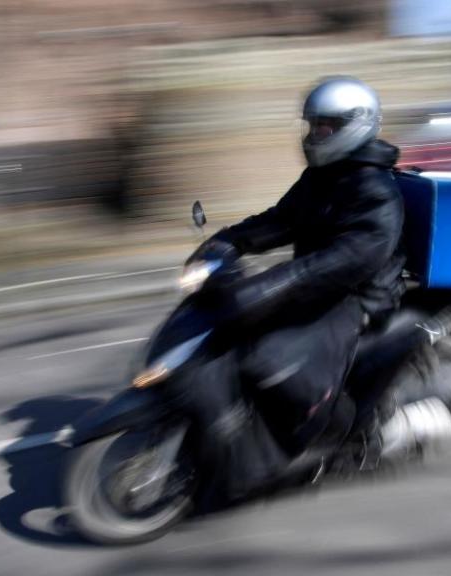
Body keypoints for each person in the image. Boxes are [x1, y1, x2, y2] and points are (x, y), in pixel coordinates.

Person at [180, 76, 406, 502]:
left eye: (325, 127)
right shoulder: (323, 177)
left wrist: (276, 283)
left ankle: (322, 436)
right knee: (229, 331)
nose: (315, 135)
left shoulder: (376, 191)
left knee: (273, 361)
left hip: (358, 299)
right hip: (319, 285)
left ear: (354, 126)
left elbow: (349, 259)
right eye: (313, 126)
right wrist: (228, 241)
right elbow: (281, 220)